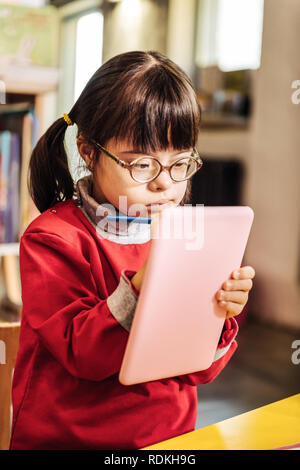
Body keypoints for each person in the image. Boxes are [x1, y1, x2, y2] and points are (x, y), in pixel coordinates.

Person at [10, 50, 255, 450]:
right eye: (141, 165)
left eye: (179, 165)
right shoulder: (52, 239)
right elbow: (84, 357)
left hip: (168, 439)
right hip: (72, 439)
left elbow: (198, 371)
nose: (164, 184)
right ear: (89, 150)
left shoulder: (189, 234)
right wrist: (143, 286)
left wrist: (221, 313)